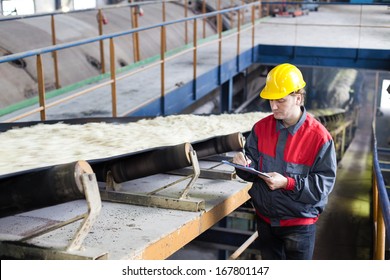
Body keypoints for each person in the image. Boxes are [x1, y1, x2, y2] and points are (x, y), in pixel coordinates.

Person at [233, 63, 337, 260]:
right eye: (271, 100)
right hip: (265, 222)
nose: (273, 106)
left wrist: (287, 183)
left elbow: (322, 187)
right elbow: (250, 171)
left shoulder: (319, 138)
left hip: (299, 226)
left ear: (298, 98)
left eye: (280, 101)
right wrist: (243, 165)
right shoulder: (261, 128)